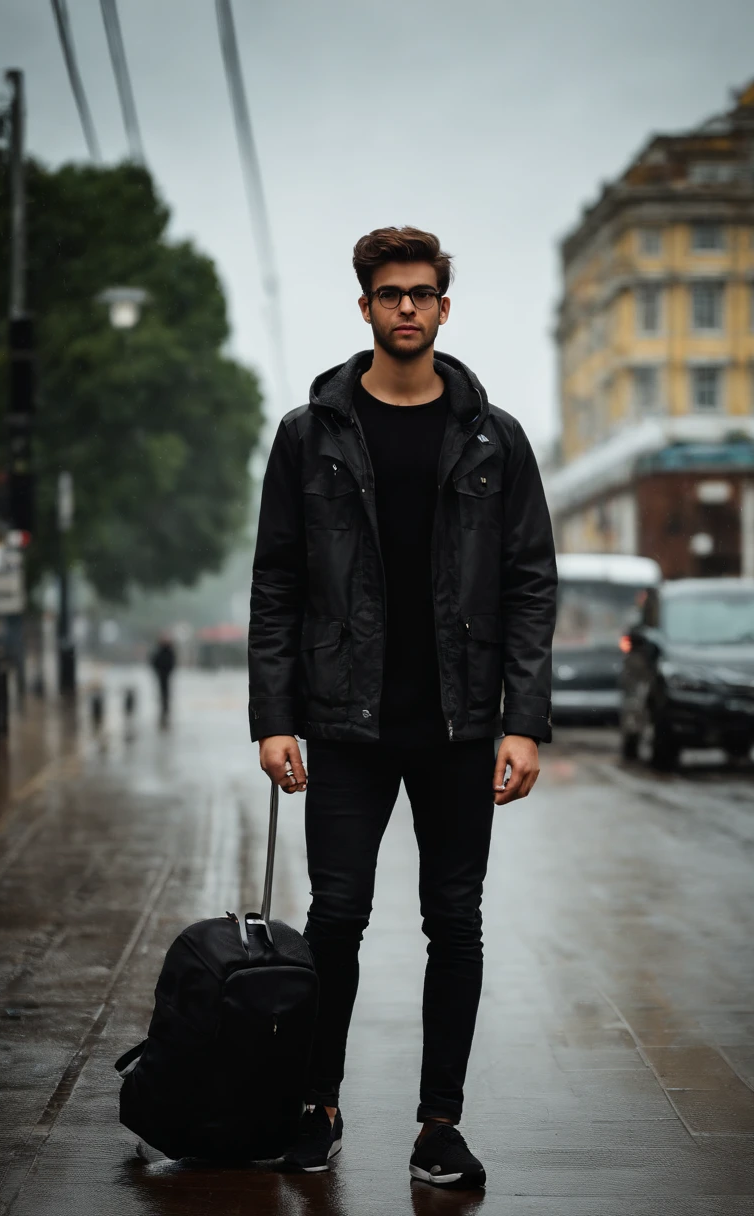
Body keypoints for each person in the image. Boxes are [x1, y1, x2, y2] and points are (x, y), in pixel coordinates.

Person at [248, 227, 556, 1189]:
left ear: (444, 308)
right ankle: (317, 1104)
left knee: (452, 922)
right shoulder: (312, 435)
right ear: (367, 308)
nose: (409, 308)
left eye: (424, 293)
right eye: (392, 294)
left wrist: (524, 720)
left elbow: (529, 582)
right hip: (346, 721)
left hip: (463, 725)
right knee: (336, 916)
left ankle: (439, 1124)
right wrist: (274, 717)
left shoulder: (494, 439)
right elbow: (277, 583)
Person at [149, 635, 176, 723]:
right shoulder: (160, 650)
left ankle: (165, 708)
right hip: (161, 674)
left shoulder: (168, 650)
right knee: (163, 692)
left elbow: (172, 662)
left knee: (166, 692)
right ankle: (164, 707)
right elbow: (154, 661)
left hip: (166, 674)